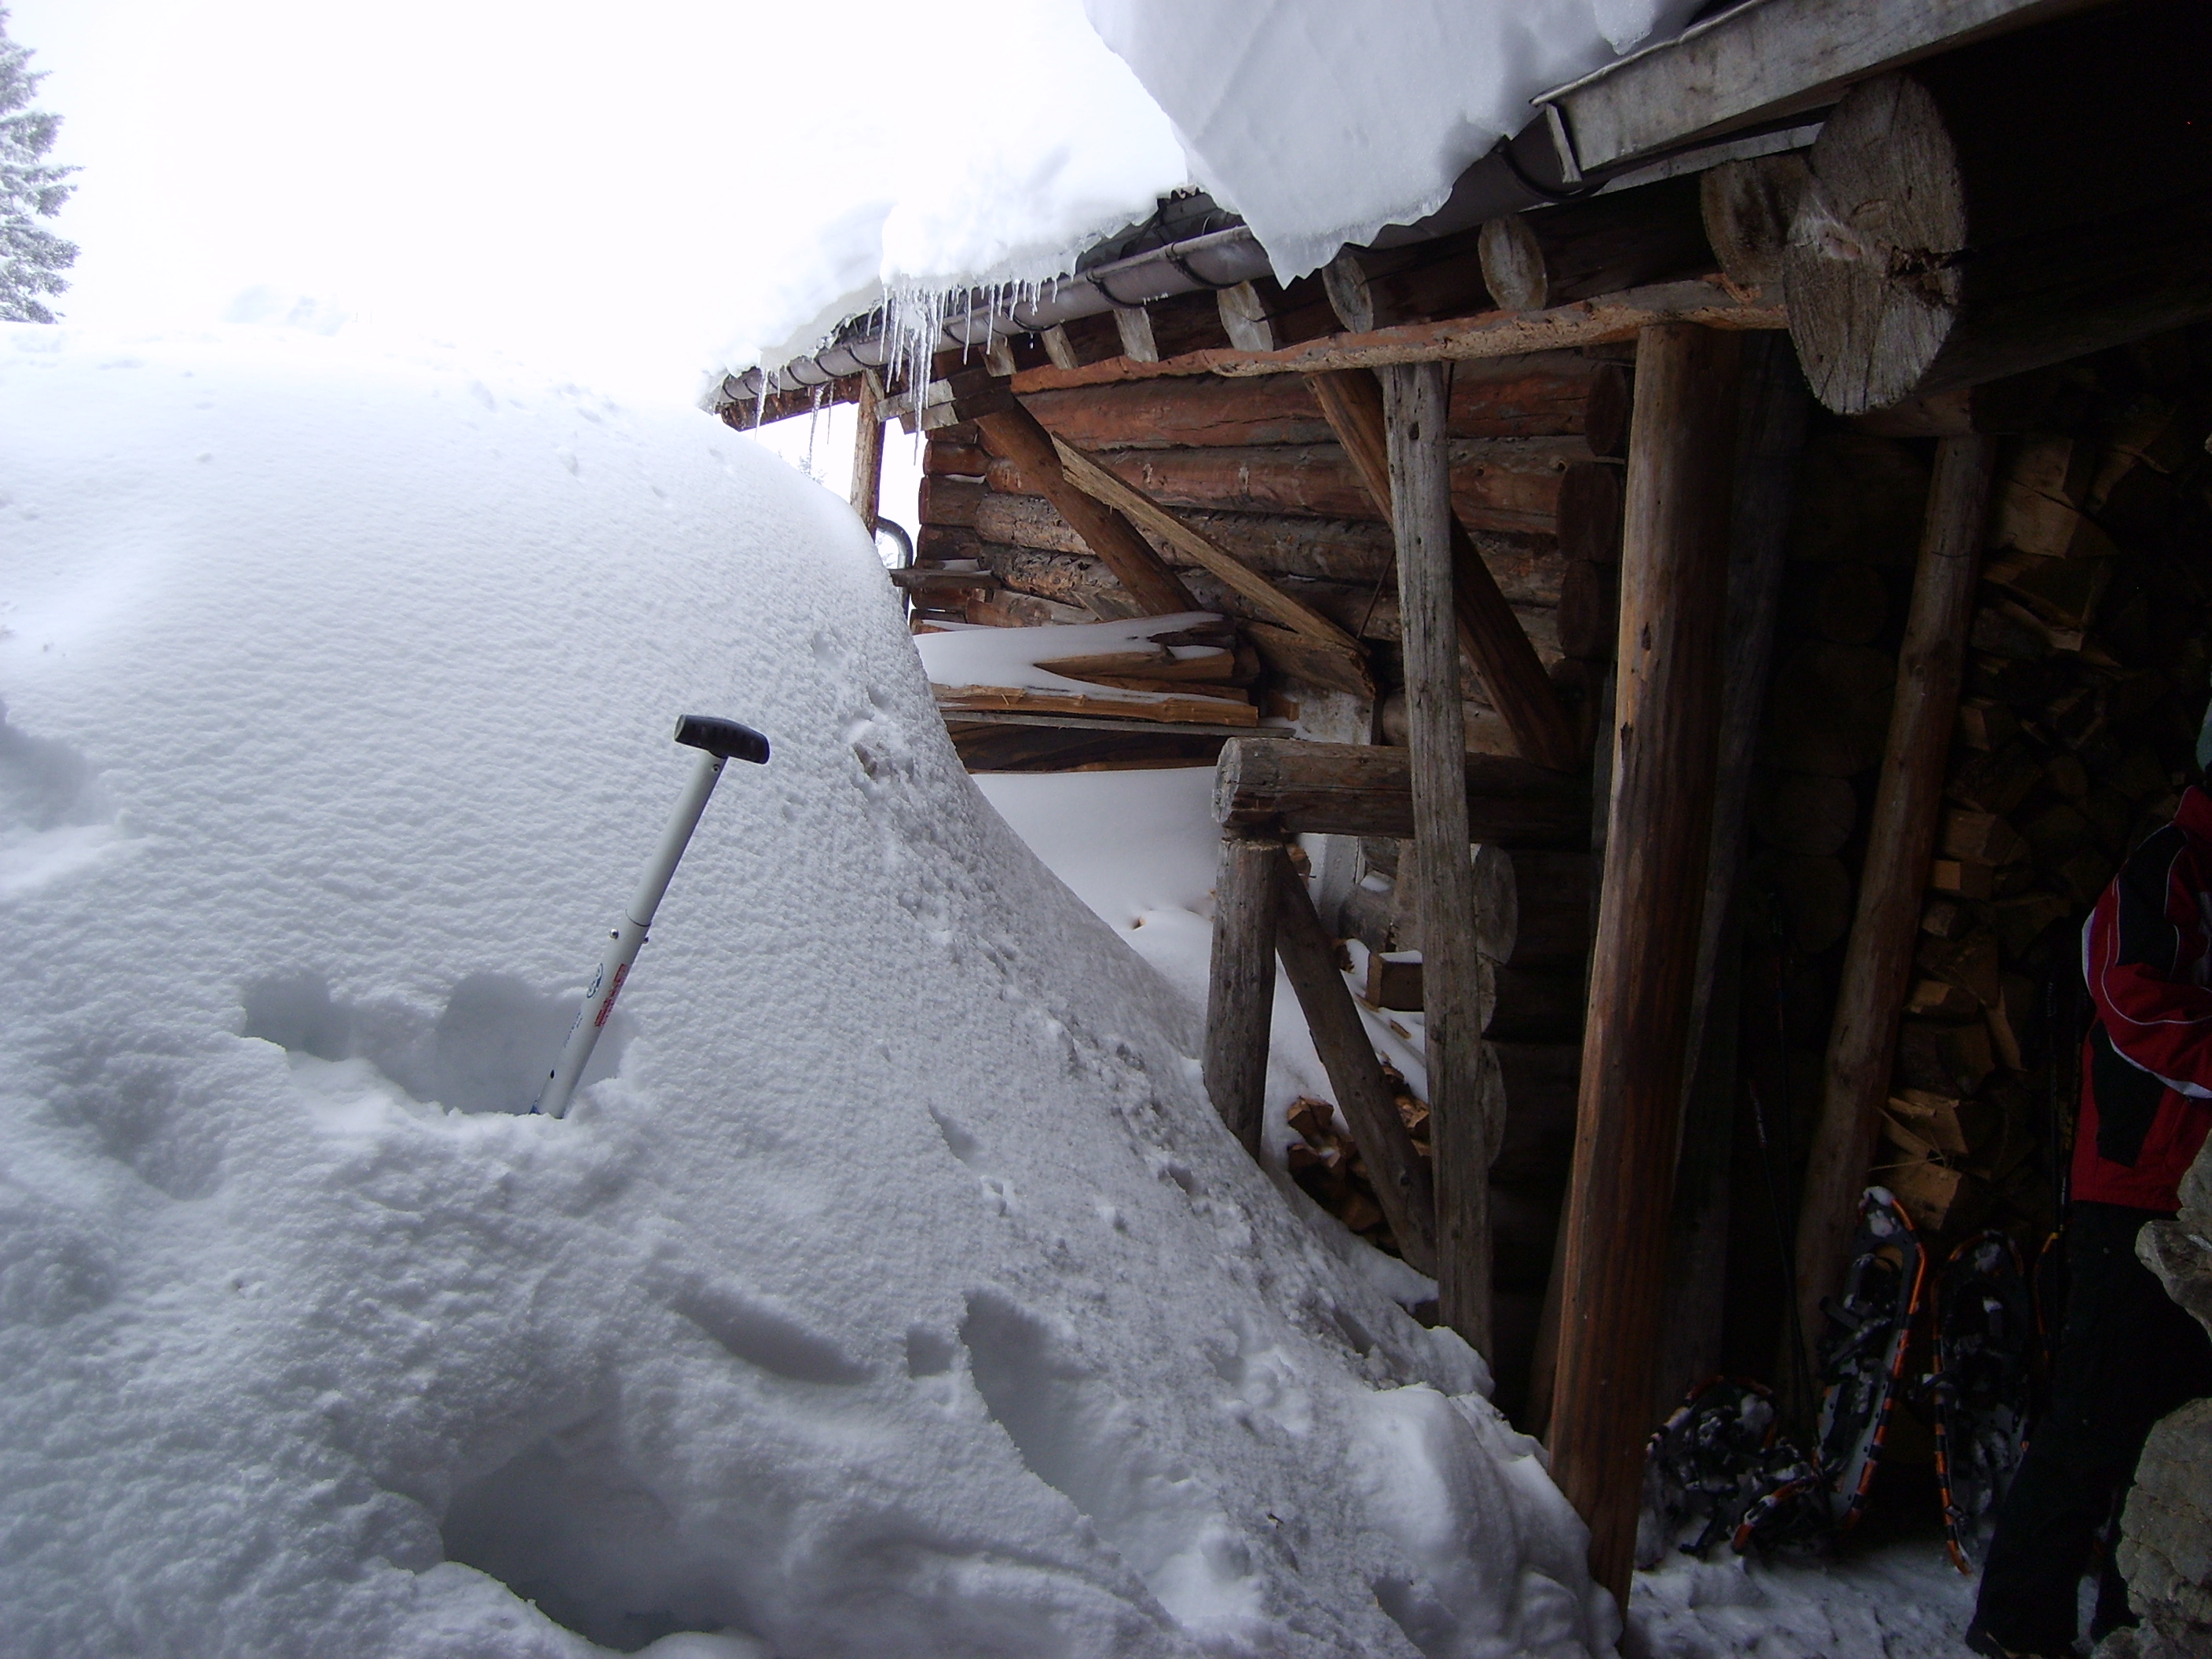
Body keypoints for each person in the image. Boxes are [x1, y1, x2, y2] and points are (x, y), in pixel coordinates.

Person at [1969, 763, 2212, 1658]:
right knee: (2094, 1418)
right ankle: (2016, 1626)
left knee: (2179, 1426)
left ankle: (2132, 1622)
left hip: (2197, 1199)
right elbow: (2131, 1001)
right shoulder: (2169, 866)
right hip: (2136, 1184)